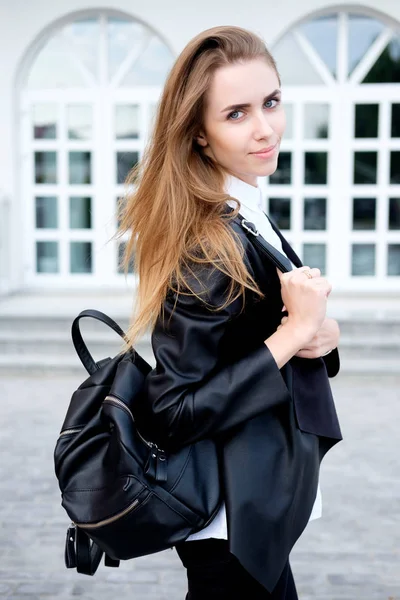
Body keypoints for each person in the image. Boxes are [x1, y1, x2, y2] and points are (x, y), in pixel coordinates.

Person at [117, 25, 343, 600]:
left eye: (271, 102)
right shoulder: (207, 243)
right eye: (236, 114)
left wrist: (319, 334)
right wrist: (294, 331)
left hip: (253, 512)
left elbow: (250, 340)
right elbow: (173, 409)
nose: (265, 128)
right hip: (226, 525)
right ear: (198, 134)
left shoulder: (245, 209)